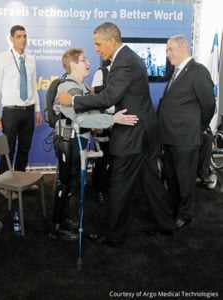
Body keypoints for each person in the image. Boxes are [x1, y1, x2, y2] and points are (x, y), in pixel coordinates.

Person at [58, 22, 175, 247]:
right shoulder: (127, 58)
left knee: (119, 183)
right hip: (144, 130)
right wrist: (93, 93)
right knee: (150, 181)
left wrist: (73, 100)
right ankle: (166, 224)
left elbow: (109, 98)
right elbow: (116, 91)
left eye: (98, 44)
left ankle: (114, 236)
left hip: (133, 133)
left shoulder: (124, 63)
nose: (97, 49)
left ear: (111, 40)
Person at [50, 48, 138, 241]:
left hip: (77, 140)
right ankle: (56, 226)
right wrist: (111, 120)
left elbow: (88, 114)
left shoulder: (80, 87)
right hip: (69, 141)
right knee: (65, 183)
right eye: (83, 60)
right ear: (73, 65)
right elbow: (81, 119)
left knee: (72, 182)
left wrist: (105, 118)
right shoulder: (67, 88)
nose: (88, 63)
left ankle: (63, 218)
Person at [157, 35, 216, 229]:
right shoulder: (175, 73)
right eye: (167, 50)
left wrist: (198, 128)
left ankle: (185, 213)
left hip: (186, 138)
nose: (168, 54)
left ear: (184, 48)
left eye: (170, 49)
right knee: (172, 178)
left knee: (185, 178)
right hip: (170, 136)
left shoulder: (198, 71)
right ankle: (174, 209)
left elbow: (209, 105)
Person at [0, 25, 42, 200]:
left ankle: (20, 181)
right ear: (11, 38)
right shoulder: (1, 58)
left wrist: (37, 109)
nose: (23, 39)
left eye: (25, 36)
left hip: (28, 112)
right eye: (19, 36)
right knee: (8, 149)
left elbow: (33, 87)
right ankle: (5, 185)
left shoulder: (31, 60)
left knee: (24, 148)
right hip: (10, 112)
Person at [91, 59, 113, 204]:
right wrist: (95, 122)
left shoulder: (125, 75)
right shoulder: (101, 73)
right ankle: (97, 189)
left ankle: (108, 186)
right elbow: (93, 98)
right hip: (103, 122)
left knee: (114, 159)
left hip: (119, 123)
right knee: (102, 158)